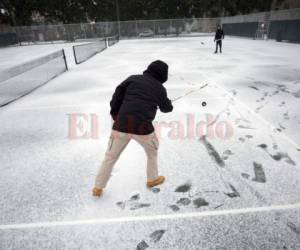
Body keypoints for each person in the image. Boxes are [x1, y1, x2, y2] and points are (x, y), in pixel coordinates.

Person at [92, 60, 173, 197]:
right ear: (163, 75)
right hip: (143, 129)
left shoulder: (132, 79)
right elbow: (167, 108)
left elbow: (116, 97)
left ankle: (97, 188)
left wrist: (116, 115)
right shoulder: (159, 88)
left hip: (121, 125)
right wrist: (168, 103)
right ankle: (152, 179)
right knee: (152, 151)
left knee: (110, 157)